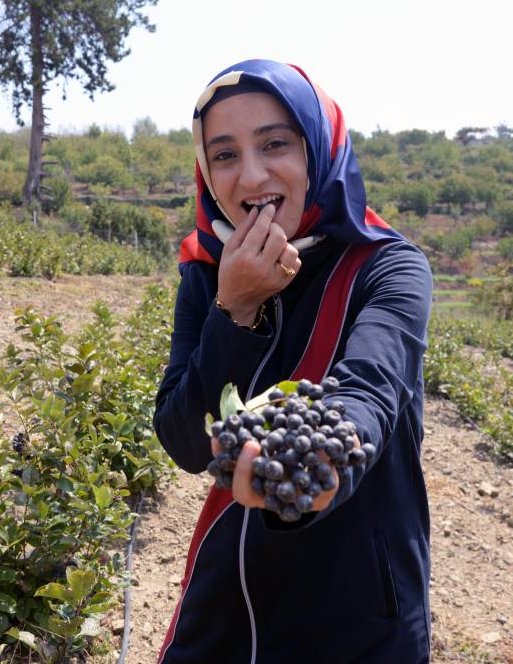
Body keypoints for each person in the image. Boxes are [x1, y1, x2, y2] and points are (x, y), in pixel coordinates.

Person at [153, 59, 433, 664]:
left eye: (275, 143)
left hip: (357, 613)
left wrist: (320, 461)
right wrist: (235, 309)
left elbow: (369, 389)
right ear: (206, 171)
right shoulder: (206, 274)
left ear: (318, 148)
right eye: (224, 155)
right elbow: (183, 440)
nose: (251, 177)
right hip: (229, 596)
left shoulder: (386, 268)